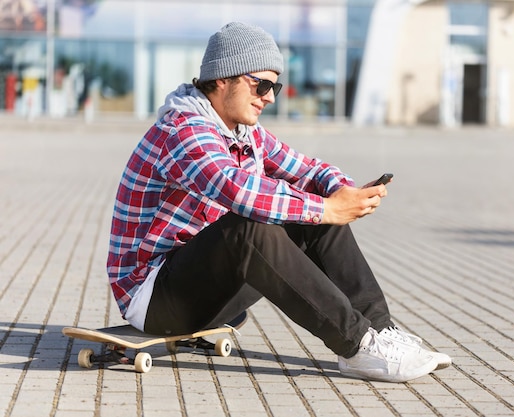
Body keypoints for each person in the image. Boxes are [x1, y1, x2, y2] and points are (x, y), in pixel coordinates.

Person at [107, 22, 451, 383]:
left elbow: (307, 169)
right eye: (262, 85)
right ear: (224, 78)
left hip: (206, 291)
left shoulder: (246, 133)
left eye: (276, 87)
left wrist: (342, 193)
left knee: (313, 211)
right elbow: (234, 188)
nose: (270, 97)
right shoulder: (183, 130)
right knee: (252, 226)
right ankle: (358, 345)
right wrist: (327, 208)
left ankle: (381, 333)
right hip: (153, 297)